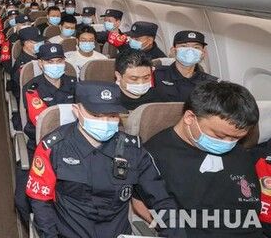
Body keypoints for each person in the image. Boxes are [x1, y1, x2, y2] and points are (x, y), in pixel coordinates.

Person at [27, 81, 183, 238]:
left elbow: (161, 200)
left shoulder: (133, 151)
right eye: (96, 115)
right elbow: (40, 201)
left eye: (112, 116)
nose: (105, 122)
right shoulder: (53, 147)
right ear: (77, 110)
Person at [145, 81, 263, 237]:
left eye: (236, 138)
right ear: (189, 118)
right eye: (220, 136)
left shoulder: (241, 154)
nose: (228, 143)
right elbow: (141, 204)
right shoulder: (154, 155)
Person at [14, 44, 77, 224]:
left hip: (74, 144)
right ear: (41, 63)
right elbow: (41, 121)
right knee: (22, 199)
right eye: (50, 61)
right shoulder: (32, 87)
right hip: (40, 145)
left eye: (59, 61)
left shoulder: (75, 84)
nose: (55, 65)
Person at [154, 30, 217, 102]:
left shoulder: (211, 83)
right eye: (184, 46)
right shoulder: (156, 75)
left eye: (196, 47)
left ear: (202, 53)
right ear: (173, 50)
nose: (190, 51)